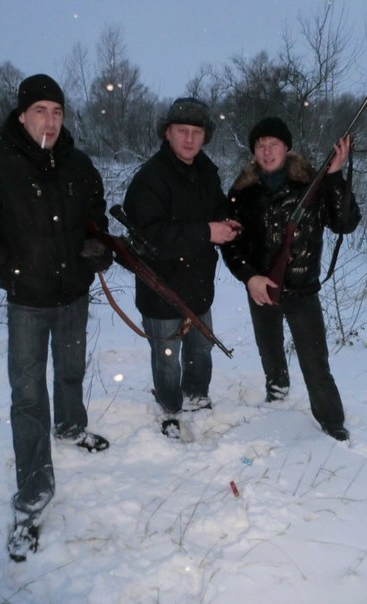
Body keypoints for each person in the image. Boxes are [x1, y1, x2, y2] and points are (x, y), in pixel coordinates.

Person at [0, 74, 113, 561]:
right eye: (40, 111)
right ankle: (33, 498)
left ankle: (72, 427)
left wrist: (97, 249)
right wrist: (9, 266)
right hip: (27, 302)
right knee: (28, 396)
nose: (50, 121)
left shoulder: (78, 163)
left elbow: (95, 218)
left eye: (57, 112)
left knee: (71, 370)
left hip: (73, 294)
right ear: (22, 116)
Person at [222, 116, 361, 441]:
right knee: (270, 351)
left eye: (274, 144)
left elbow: (345, 223)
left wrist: (335, 176)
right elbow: (231, 245)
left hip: (302, 290)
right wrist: (250, 277)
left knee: (315, 362)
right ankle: (277, 394)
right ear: (253, 151)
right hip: (261, 288)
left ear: (286, 147)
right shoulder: (242, 192)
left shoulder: (312, 184)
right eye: (261, 145)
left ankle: (331, 421)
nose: (267, 151)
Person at [123, 97, 241, 438]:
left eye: (196, 132)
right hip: (160, 285)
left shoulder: (206, 172)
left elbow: (217, 207)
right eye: (182, 131)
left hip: (198, 282)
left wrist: (227, 221)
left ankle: (197, 396)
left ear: (205, 136)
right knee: (166, 356)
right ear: (167, 133)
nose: (189, 139)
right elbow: (151, 236)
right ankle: (170, 408)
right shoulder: (150, 178)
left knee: (201, 348)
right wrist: (206, 232)